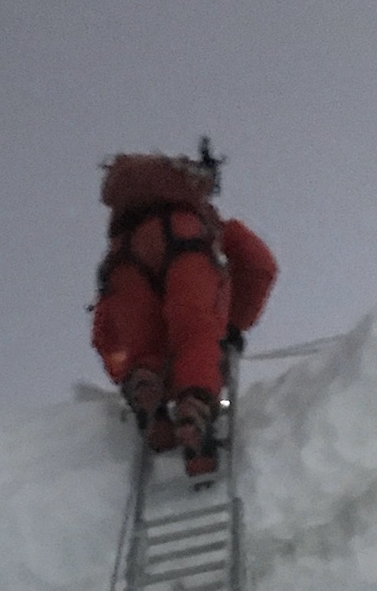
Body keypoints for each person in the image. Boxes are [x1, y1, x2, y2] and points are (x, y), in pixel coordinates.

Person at [91, 141, 278, 479]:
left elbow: (105, 330)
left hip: (123, 268)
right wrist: (234, 326)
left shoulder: (122, 235)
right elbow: (258, 265)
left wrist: (128, 371)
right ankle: (195, 412)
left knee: (145, 351)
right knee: (198, 334)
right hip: (188, 248)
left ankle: (153, 404)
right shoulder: (202, 219)